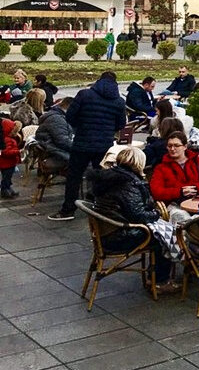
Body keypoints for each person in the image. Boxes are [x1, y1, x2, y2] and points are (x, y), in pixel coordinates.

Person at [87, 147, 179, 294]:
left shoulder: (110, 177)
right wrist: (156, 213)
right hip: (120, 236)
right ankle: (159, 281)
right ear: (138, 163)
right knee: (163, 237)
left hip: (105, 232)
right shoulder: (127, 182)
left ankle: (155, 276)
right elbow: (138, 215)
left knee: (163, 231)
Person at [50, 71, 127, 221]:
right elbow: (121, 124)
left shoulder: (84, 95)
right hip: (104, 144)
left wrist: (81, 126)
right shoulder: (119, 101)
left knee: (74, 177)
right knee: (101, 177)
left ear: (99, 80)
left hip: (82, 142)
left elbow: (70, 116)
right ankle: (99, 207)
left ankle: (68, 210)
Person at [149, 131, 199, 223]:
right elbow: (156, 191)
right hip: (175, 204)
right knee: (180, 217)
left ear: (185, 146)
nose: (172, 149)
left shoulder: (198, 161)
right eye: (169, 146)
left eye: (176, 145)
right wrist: (180, 192)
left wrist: (196, 188)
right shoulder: (161, 168)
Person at [35, 97, 74, 174]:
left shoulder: (56, 115)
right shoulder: (57, 119)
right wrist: (79, 147)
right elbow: (62, 141)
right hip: (55, 152)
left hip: (51, 148)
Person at [0, 118, 23, 199]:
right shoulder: (6, 140)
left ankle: (8, 189)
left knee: (8, 178)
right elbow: (6, 152)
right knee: (6, 178)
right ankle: (4, 191)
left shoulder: (8, 139)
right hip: (6, 163)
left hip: (9, 163)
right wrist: (18, 151)